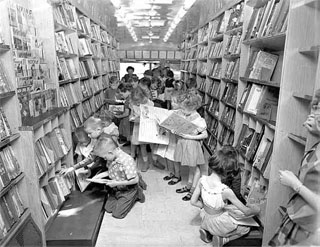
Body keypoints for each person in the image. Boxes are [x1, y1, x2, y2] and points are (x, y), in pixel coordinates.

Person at [269, 90, 320, 246]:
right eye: (315, 107)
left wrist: (295, 184)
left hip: (309, 229)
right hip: (297, 217)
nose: (314, 114)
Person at [191, 152, 260, 246]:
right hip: (218, 223)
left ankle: (207, 232)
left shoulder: (202, 180)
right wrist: (256, 209)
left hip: (205, 217)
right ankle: (224, 239)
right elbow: (247, 212)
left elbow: (193, 202)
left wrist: (206, 207)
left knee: (225, 210)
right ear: (227, 173)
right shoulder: (225, 190)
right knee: (245, 229)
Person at [92, 134, 145, 219]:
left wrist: (117, 183)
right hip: (117, 188)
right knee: (108, 209)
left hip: (128, 189)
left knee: (117, 214)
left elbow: (135, 180)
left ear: (110, 152)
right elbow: (111, 171)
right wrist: (100, 176)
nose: (105, 159)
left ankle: (137, 193)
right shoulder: (111, 157)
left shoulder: (126, 160)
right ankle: (121, 197)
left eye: (105, 157)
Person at [174, 90, 208, 201]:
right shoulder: (186, 115)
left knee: (196, 168)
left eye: (183, 109)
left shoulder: (198, 119)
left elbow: (204, 135)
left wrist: (190, 137)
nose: (182, 111)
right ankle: (189, 186)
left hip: (192, 144)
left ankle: (193, 190)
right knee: (190, 167)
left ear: (192, 107)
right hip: (185, 143)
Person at [156, 90, 186, 185]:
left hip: (176, 140)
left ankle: (177, 175)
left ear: (181, 103)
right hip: (168, 138)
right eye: (172, 101)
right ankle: (171, 172)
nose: (172, 103)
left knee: (174, 158)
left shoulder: (182, 114)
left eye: (175, 102)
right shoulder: (169, 112)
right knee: (167, 156)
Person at [129, 86, 154, 172]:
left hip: (149, 127)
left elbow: (154, 115)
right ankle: (145, 162)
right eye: (135, 102)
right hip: (138, 128)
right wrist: (132, 119)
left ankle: (155, 160)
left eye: (139, 101)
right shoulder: (133, 105)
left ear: (143, 97)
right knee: (142, 146)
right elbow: (131, 116)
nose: (137, 103)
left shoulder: (150, 103)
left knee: (153, 146)